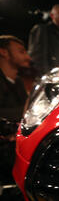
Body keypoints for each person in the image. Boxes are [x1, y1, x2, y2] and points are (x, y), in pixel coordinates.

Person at [0, 35, 31, 185]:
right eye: (21, 51)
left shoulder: (18, 81)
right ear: (4, 52)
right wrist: (28, 109)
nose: (28, 56)